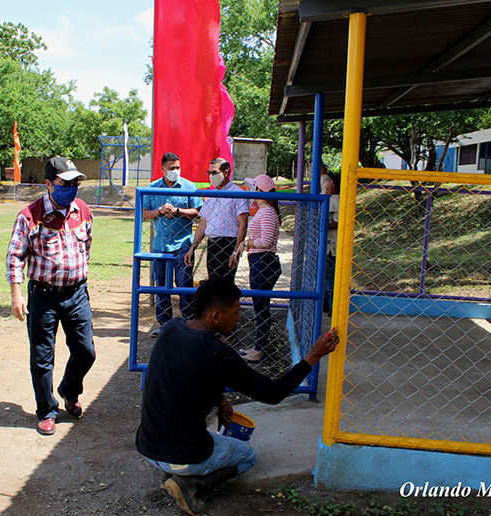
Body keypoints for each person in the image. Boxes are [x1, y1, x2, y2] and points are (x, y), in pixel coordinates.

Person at [135, 278, 339, 516]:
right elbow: (272, 394)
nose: (240, 318)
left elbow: (186, 377)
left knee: (191, 436)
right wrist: (312, 357)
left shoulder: (171, 328)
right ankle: (189, 484)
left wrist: (219, 400)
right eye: (235, 312)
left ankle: (177, 471)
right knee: (247, 456)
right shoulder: (218, 353)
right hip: (183, 454)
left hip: (147, 446)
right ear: (215, 316)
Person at [6, 156, 96, 436]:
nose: (71, 188)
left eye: (75, 183)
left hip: (77, 293)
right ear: (49, 184)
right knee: (42, 356)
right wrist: (16, 295)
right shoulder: (30, 216)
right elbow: (15, 256)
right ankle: (46, 410)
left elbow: (87, 247)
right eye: (65, 183)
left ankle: (69, 390)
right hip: (43, 295)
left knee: (86, 351)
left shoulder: (82, 210)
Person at [143, 153, 203, 337]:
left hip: (183, 243)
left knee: (184, 284)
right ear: (162, 169)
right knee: (161, 284)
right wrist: (159, 212)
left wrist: (177, 211)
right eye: (171, 168)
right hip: (160, 245)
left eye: (177, 167)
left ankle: (188, 323)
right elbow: (144, 213)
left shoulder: (189, 187)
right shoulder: (152, 188)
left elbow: (198, 212)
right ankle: (164, 325)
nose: (175, 171)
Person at [238, 174, 282, 363]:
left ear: (260, 192)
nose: (251, 191)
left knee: (261, 307)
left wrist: (247, 243)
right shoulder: (264, 211)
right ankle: (258, 346)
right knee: (259, 305)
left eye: (254, 188)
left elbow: (266, 241)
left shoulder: (267, 213)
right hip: (259, 261)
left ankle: (260, 348)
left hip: (263, 262)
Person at [184, 158, 249, 281]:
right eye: (209, 173)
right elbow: (203, 223)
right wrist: (193, 247)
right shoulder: (211, 195)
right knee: (213, 282)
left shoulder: (238, 194)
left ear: (225, 172)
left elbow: (243, 224)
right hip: (212, 243)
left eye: (214, 173)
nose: (211, 176)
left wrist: (235, 252)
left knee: (225, 285)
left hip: (228, 243)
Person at [324, 172, 341, 316]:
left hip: (333, 246)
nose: (326, 185)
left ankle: (332, 308)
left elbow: (337, 222)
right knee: (327, 275)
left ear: (333, 185)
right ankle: (328, 305)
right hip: (330, 245)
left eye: (328, 182)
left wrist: (322, 225)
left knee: (330, 277)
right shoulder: (331, 198)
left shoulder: (336, 200)